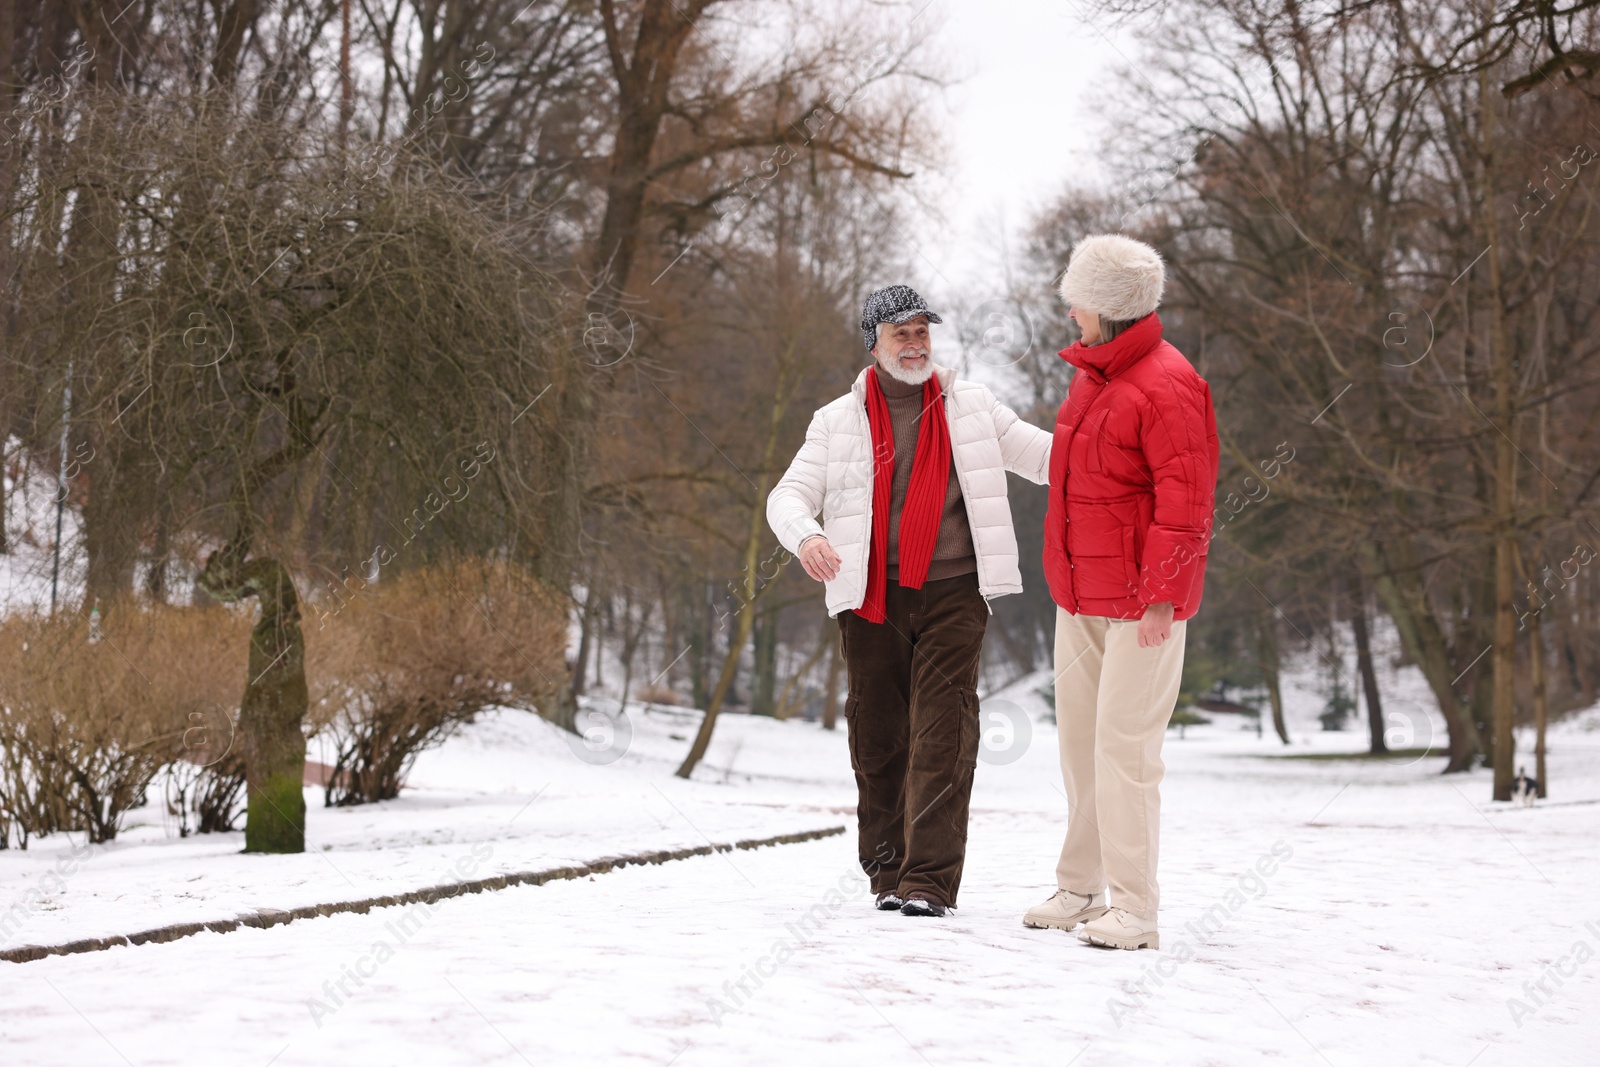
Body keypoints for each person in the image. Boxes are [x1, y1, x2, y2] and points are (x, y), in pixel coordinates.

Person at [767, 284, 1051, 917]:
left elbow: (1044, 458)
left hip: (954, 590)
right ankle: (887, 874)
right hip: (871, 598)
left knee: (943, 734)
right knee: (879, 739)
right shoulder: (835, 421)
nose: (916, 342)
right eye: (902, 332)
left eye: (923, 331)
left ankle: (928, 882)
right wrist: (808, 537)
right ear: (875, 343)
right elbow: (786, 497)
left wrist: (1116, 448)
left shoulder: (970, 406)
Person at [1021, 235, 1219, 950]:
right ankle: (1082, 886)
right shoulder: (1092, 380)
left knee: (1125, 749)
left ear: (1108, 308)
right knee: (1079, 746)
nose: (1071, 311)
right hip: (1079, 599)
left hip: (1143, 608)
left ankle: (1135, 907)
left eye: (1080, 299)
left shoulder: (1170, 383)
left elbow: (1187, 500)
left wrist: (1164, 597)